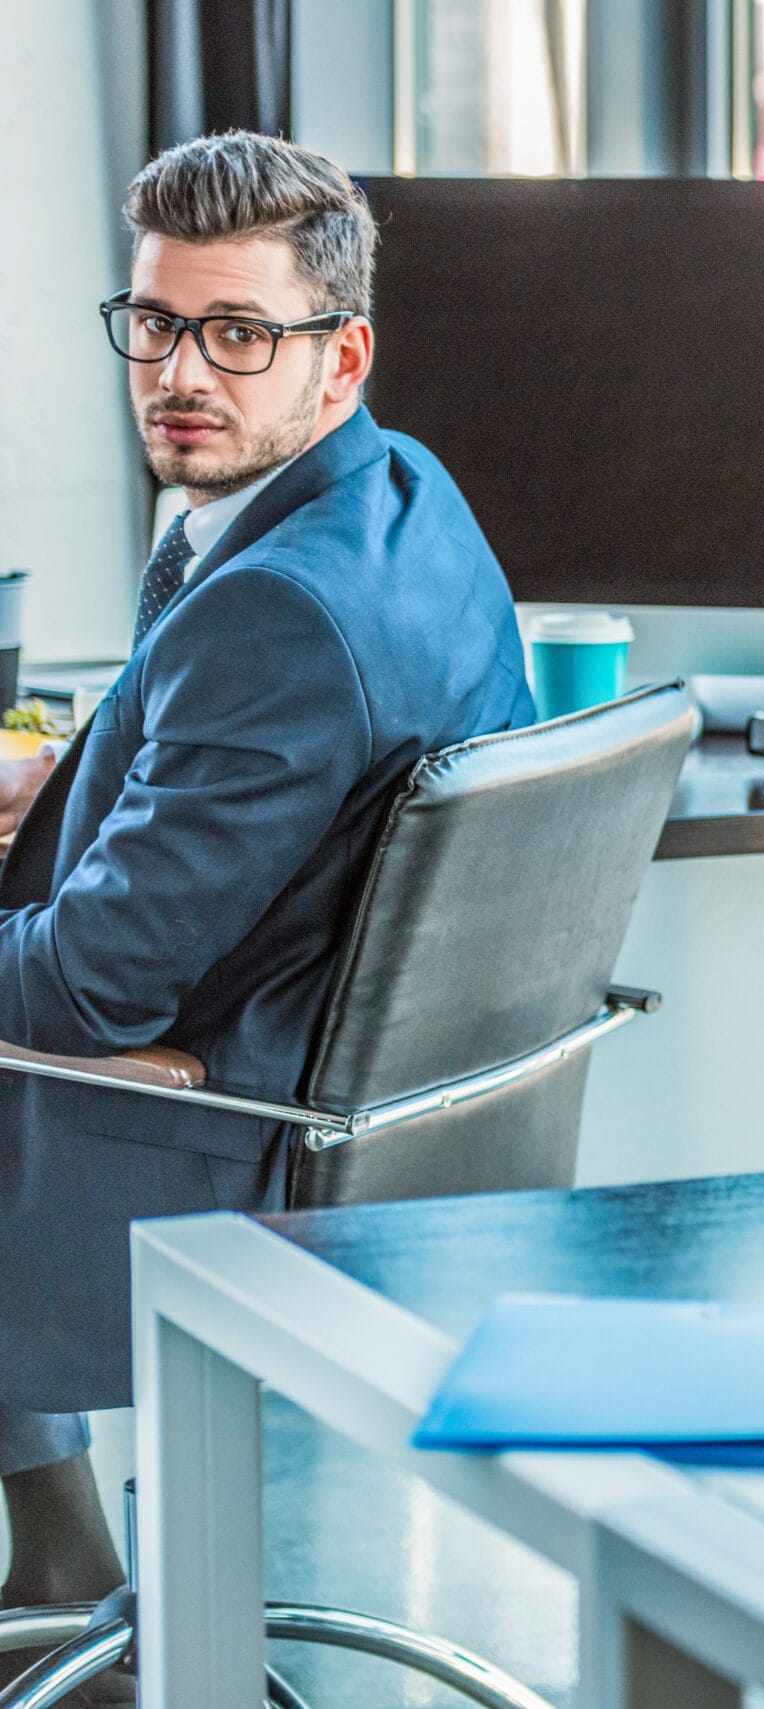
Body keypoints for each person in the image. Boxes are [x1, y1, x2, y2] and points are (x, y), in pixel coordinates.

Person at [0, 132, 535, 1616]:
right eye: (157, 324)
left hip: (215, 1152)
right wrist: (72, 776)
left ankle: (62, 1583)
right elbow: (229, 772)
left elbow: (86, 987)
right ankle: (66, 1575)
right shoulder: (398, 498)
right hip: (366, 1114)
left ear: (338, 356)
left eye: (240, 335)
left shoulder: (279, 617)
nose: (184, 371)